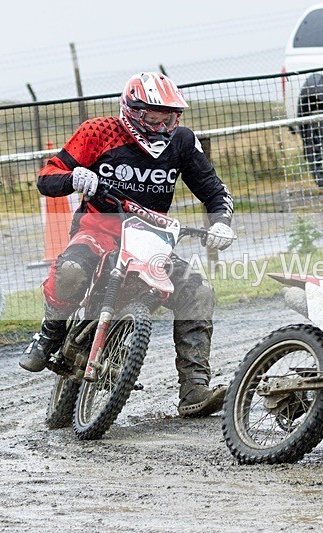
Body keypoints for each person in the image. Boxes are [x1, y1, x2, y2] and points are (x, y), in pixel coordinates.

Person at [19, 72, 236, 417]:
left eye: (169, 116)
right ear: (133, 110)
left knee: (199, 291)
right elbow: (47, 177)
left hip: (151, 239)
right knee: (72, 270)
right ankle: (49, 333)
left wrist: (222, 223)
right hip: (99, 229)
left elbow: (213, 188)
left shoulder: (181, 141)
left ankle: (194, 388)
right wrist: (74, 177)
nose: (162, 124)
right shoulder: (98, 132)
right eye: (153, 116)